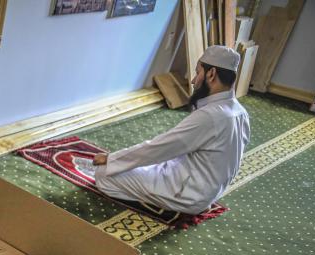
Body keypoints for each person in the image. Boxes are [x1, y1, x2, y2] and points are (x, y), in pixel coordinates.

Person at [91, 45, 251, 215]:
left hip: (187, 194)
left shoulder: (210, 116)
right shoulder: (241, 113)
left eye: (198, 73)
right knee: (147, 165)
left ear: (211, 74)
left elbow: (159, 149)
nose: (193, 80)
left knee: (104, 175)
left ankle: (163, 203)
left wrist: (112, 159)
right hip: (207, 189)